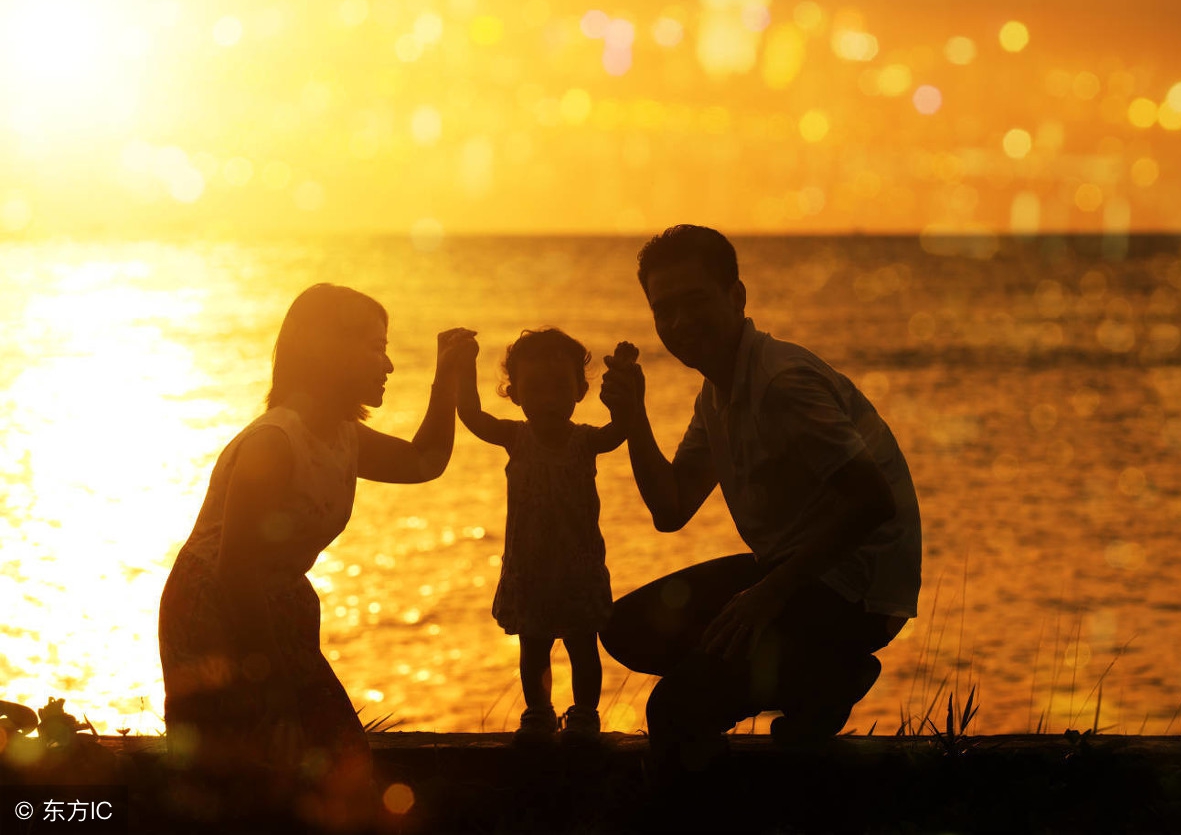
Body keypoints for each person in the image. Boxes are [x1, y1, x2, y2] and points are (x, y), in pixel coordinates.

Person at [599, 225, 922, 770]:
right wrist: (633, 418)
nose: (678, 323)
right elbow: (672, 507)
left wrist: (766, 596)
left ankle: (823, 671)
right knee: (625, 629)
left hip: (855, 596)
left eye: (695, 301)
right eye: (664, 310)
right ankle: (815, 677)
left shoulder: (782, 383)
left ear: (736, 296)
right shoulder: (719, 391)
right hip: (791, 576)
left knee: (675, 709)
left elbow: (873, 502)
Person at [158, 283, 476, 826]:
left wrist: (446, 376)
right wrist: (273, 687)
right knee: (247, 782)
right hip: (213, 615)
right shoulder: (274, 443)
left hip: (275, 605)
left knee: (335, 762)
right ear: (328, 350)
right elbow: (235, 573)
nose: (390, 364)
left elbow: (425, 461)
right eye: (376, 347)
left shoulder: (341, 435)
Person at [457, 328, 627, 743]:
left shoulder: (586, 441)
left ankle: (585, 713)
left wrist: (623, 381)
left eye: (559, 387)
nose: (549, 399)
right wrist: (462, 367)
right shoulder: (516, 438)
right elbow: (472, 416)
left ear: (580, 390)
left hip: (578, 570)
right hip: (529, 571)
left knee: (583, 647)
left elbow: (621, 428)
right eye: (534, 389)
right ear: (514, 394)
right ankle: (538, 711)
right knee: (533, 648)